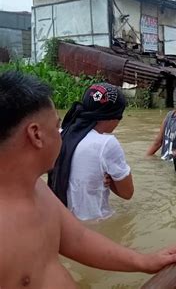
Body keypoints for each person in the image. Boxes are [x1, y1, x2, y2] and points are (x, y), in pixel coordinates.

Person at [0, 71, 176, 288]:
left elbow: (78, 238)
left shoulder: (38, 190)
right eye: (56, 127)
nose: (61, 134)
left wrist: (144, 261)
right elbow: (127, 192)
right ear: (36, 135)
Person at [47, 83, 133, 221]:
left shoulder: (59, 135)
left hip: (61, 222)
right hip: (95, 226)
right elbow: (127, 193)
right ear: (113, 116)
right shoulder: (107, 143)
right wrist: (110, 181)